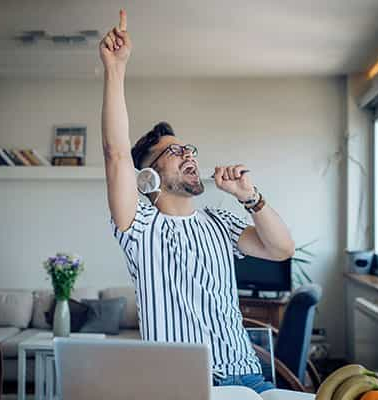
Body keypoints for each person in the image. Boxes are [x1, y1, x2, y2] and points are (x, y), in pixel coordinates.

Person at [99, 9, 295, 393]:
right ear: (147, 177)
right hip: (186, 386)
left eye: (189, 148)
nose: (189, 154)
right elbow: (117, 153)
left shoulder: (220, 221)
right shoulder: (139, 227)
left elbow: (282, 249)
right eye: (175, 152)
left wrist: (249, 197)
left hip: (250, 378)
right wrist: (116, 68)